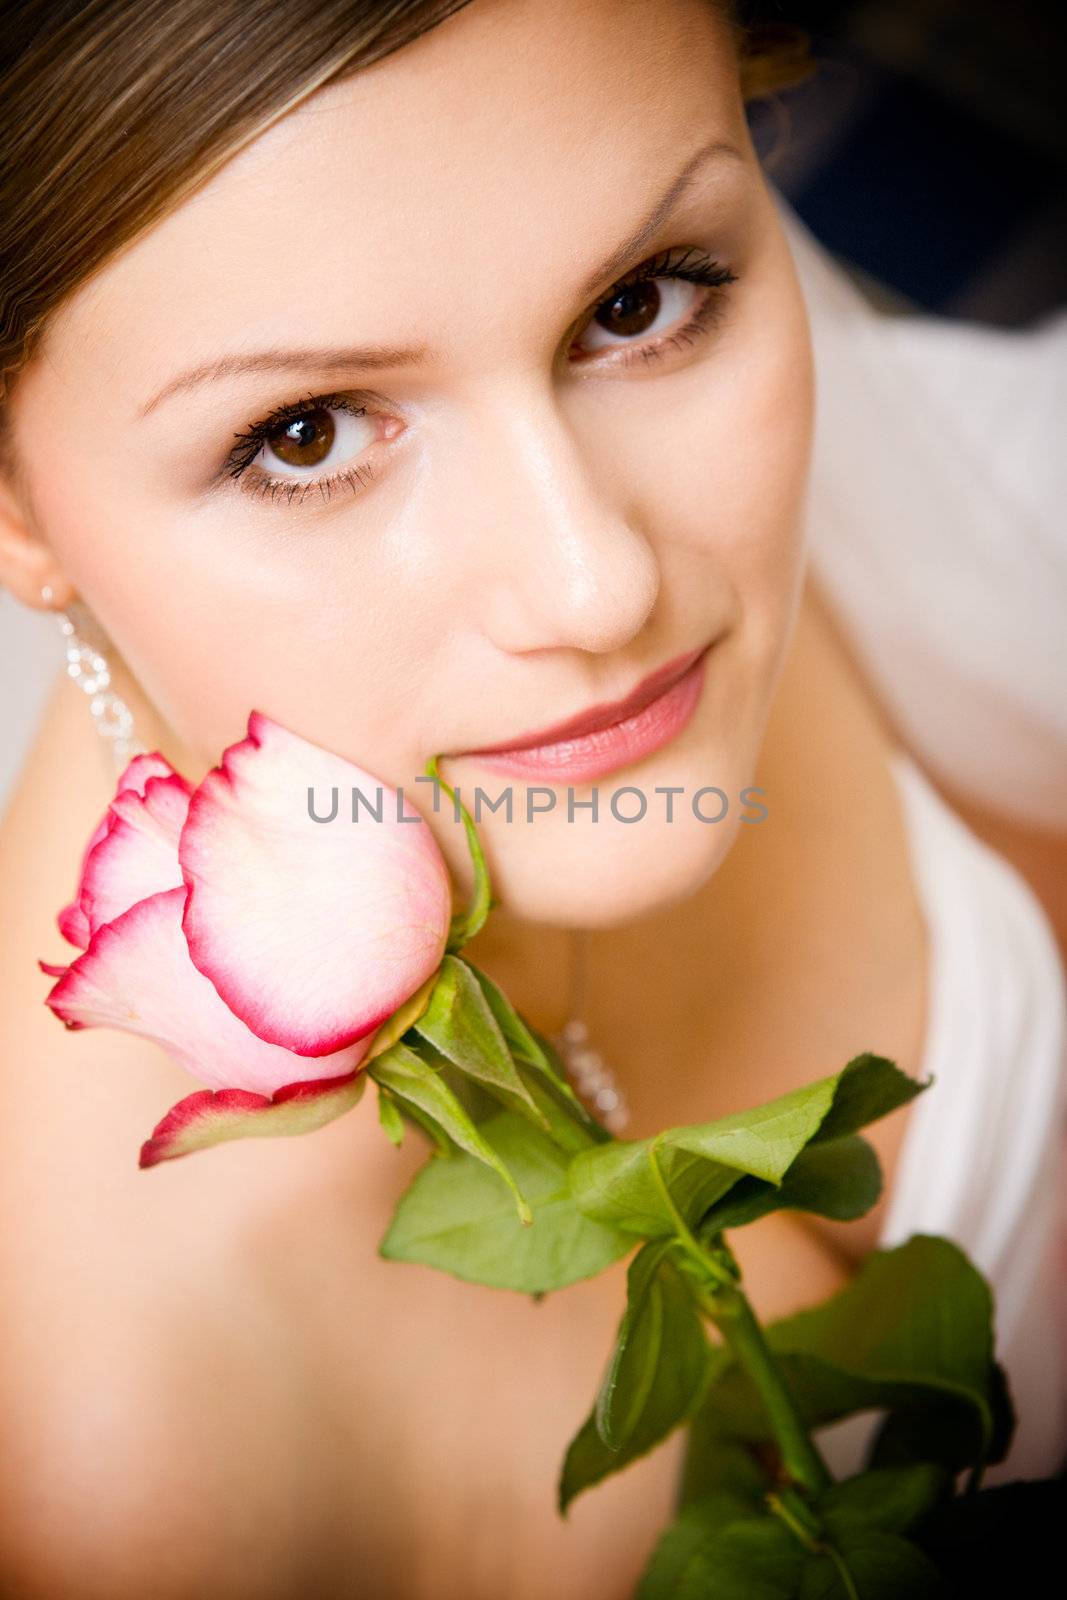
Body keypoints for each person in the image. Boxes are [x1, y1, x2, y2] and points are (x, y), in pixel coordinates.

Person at [0, 2, 1064, 1595]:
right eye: (307, 436)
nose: (601, 580)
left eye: (636, 303)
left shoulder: (769, 513)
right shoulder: (140, 1497)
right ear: (18, 504)